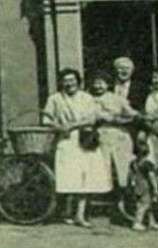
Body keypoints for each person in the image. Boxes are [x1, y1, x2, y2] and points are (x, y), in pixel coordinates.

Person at [43, 67, 111, 227]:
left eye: (72, 80)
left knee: (86, 177)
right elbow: (46, 118)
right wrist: (57, 126)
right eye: (66, 81)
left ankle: (80, 215)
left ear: (78, 82)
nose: (69, 84)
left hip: (85, 139)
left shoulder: (87, 98)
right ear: (61, 83)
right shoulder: (55, 99)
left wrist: (72, 125)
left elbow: (91, 118)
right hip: (66, 141)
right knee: (69, 178)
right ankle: (68, 213)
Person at [88, 70, 139, 227]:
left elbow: (130, 113)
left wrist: (133, 116)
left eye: (102, 82)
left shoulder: (116, 98)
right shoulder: (88, 99)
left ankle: (123, 206)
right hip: (101, 136)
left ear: (107, 84)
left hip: (120, 136)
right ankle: (104, 210)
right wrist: (108, 117)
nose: (98, 86)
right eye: (96, 82)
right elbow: (94, 116)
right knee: (103, 171)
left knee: (122, 172)